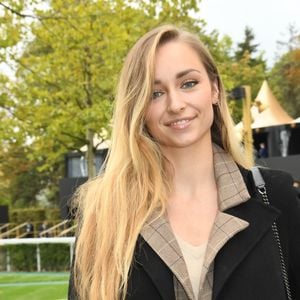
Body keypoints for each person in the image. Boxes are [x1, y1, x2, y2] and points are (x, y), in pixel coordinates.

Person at [68, 25, 300, 300]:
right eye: (155, 93)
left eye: (188, 83)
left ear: (214, 89)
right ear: (138, 108)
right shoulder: (103, 213)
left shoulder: (275, 195)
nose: (175, 104)